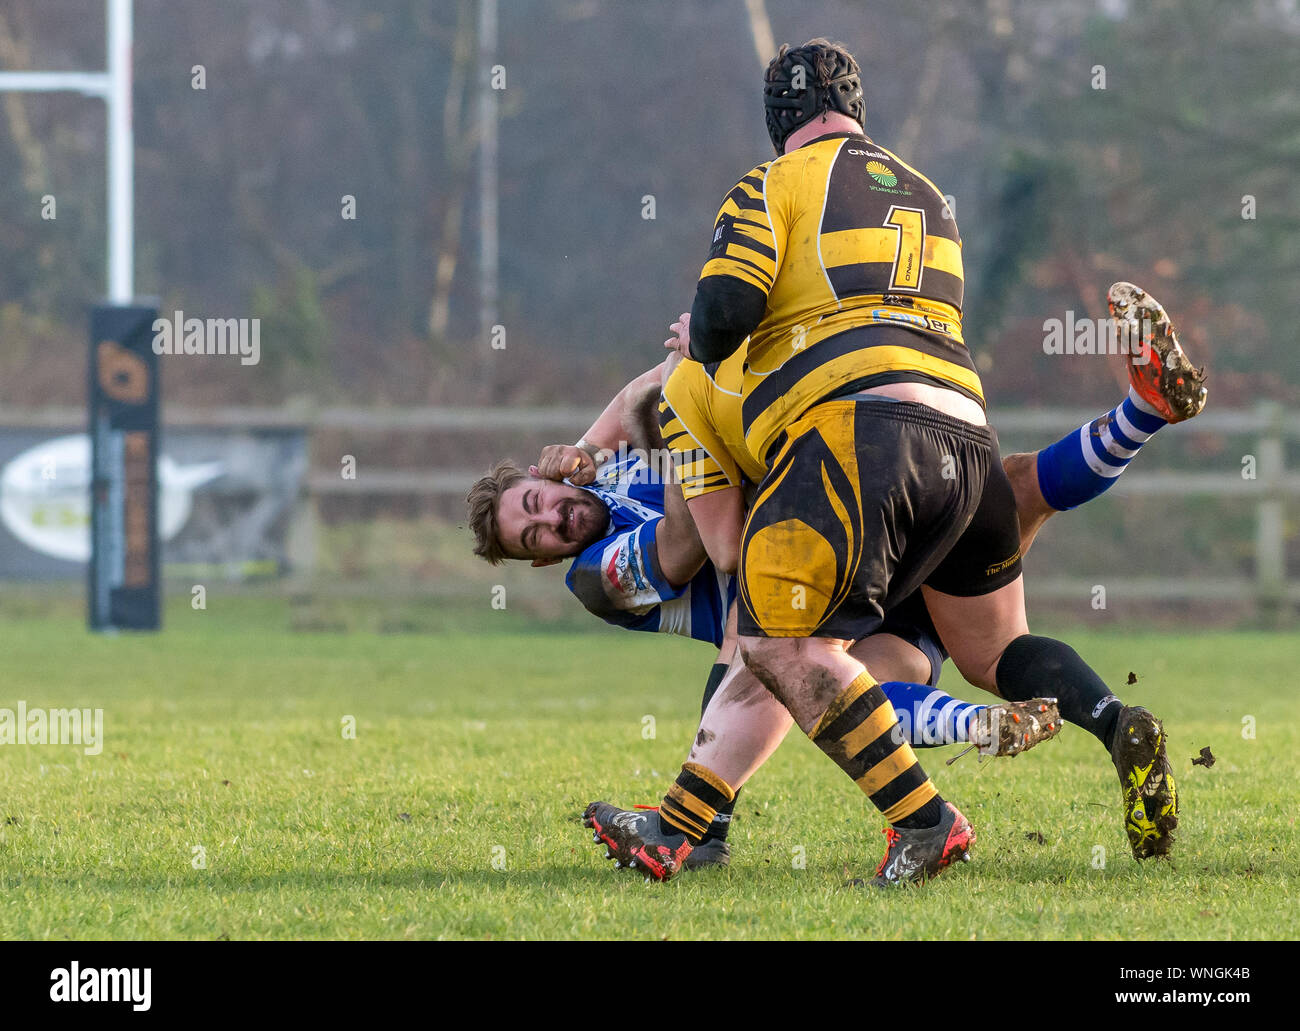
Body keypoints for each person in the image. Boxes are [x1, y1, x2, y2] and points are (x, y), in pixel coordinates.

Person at [584, 38, 1205, 885]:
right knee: (990, 647)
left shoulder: (769, 192)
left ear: (779, 123)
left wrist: (701, 340)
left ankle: (922, 820)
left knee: (769, 636)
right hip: (964, 439)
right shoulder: (923, 192)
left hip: (855, 436)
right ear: (861, 108)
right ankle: (679, 826)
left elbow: (726, 311)